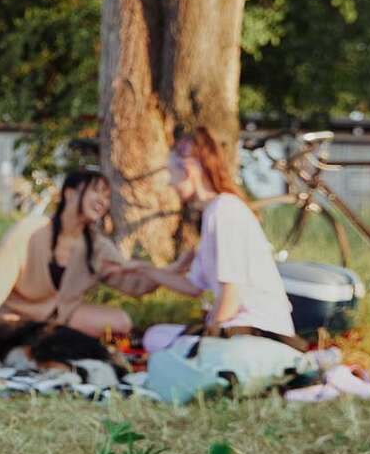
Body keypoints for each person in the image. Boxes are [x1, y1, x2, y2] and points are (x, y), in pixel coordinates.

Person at [121, 128, 296, 339]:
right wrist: (145, 269)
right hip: (237, 327)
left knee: (159, 342)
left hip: (257, 329)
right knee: (154, 336)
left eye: (172, 175)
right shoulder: (214, 211)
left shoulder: (224, 210)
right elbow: (194, 286)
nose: (170, 183)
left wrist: (208, 335)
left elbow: (231, 294)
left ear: (188, 171)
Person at [0, 169, 158, 339]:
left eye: (107, 196)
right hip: (17, 316)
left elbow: (133, 283)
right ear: (70, 193)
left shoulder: (97, 245)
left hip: (61, 318)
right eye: (96, 191)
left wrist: (168, 274)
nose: (102, 201)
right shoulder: (29, 231)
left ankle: (52, 340)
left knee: (120, 321)